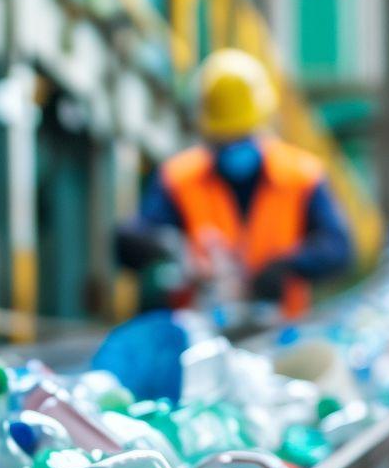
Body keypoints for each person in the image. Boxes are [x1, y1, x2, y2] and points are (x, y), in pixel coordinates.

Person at [116, 48, 352, 319]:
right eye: (224, 140)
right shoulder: (179, 178)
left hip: (279, 330)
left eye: (241, 135)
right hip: (199, 333)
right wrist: (173, 249)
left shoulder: (301, 176)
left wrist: (288, 266)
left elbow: (338, 248)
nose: (233, 147)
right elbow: (134, 237)